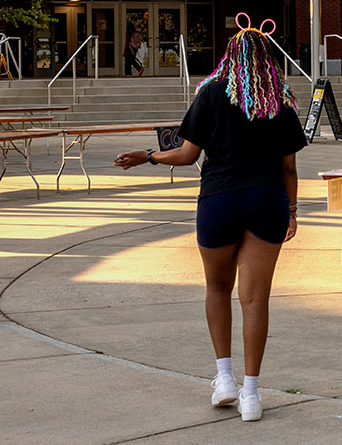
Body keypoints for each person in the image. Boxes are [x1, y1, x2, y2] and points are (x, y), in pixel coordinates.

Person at [114, 26, 304, 422]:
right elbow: (289, 167)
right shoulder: (280, 102)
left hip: (220, 199)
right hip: (267, 200)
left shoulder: (212, 93)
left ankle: (224, 379)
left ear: (228, 57)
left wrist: (148, 156)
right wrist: (292, 210)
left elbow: (186, 154)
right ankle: (251, 395)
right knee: (255, 300)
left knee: (218, 288)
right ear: (267, 57)